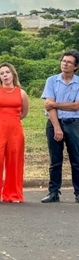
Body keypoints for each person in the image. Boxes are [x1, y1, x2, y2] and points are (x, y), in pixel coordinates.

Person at [0, 63, 29, 204]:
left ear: (13, 74)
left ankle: (13, 194)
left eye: (7, 72)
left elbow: (24, 112)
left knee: (14, 161)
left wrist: (12, 120)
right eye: (2, 73)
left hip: (15, 130)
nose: (5, 75)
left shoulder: (21, 93)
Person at [40, 49, 79, 203]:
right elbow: (49, 107)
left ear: (76, 66)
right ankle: (53, 192)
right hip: (54, 123)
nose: (65, 64)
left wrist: (55, 104)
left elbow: (77, 106)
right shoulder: (51, 81)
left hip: (74, 124)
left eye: (69, 62)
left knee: (76, 160)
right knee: (55, 160)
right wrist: (57, 127)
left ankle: (78, 192)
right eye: (63, 61)